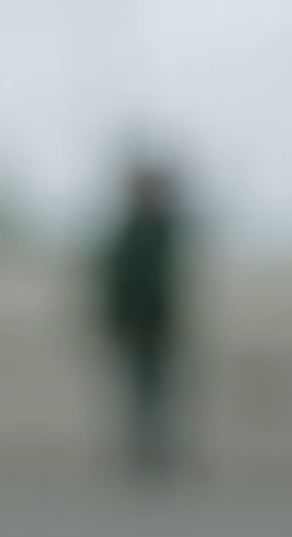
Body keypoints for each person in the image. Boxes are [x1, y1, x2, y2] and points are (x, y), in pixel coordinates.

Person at [94, 159, 191, 482]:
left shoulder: (161, 228)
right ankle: (143, 452)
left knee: (159, 390)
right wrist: (113, 319)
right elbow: (116, 280)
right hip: (135, 323)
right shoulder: (131, 229)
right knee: (139, 391)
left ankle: (158, 453)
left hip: (158, 323)